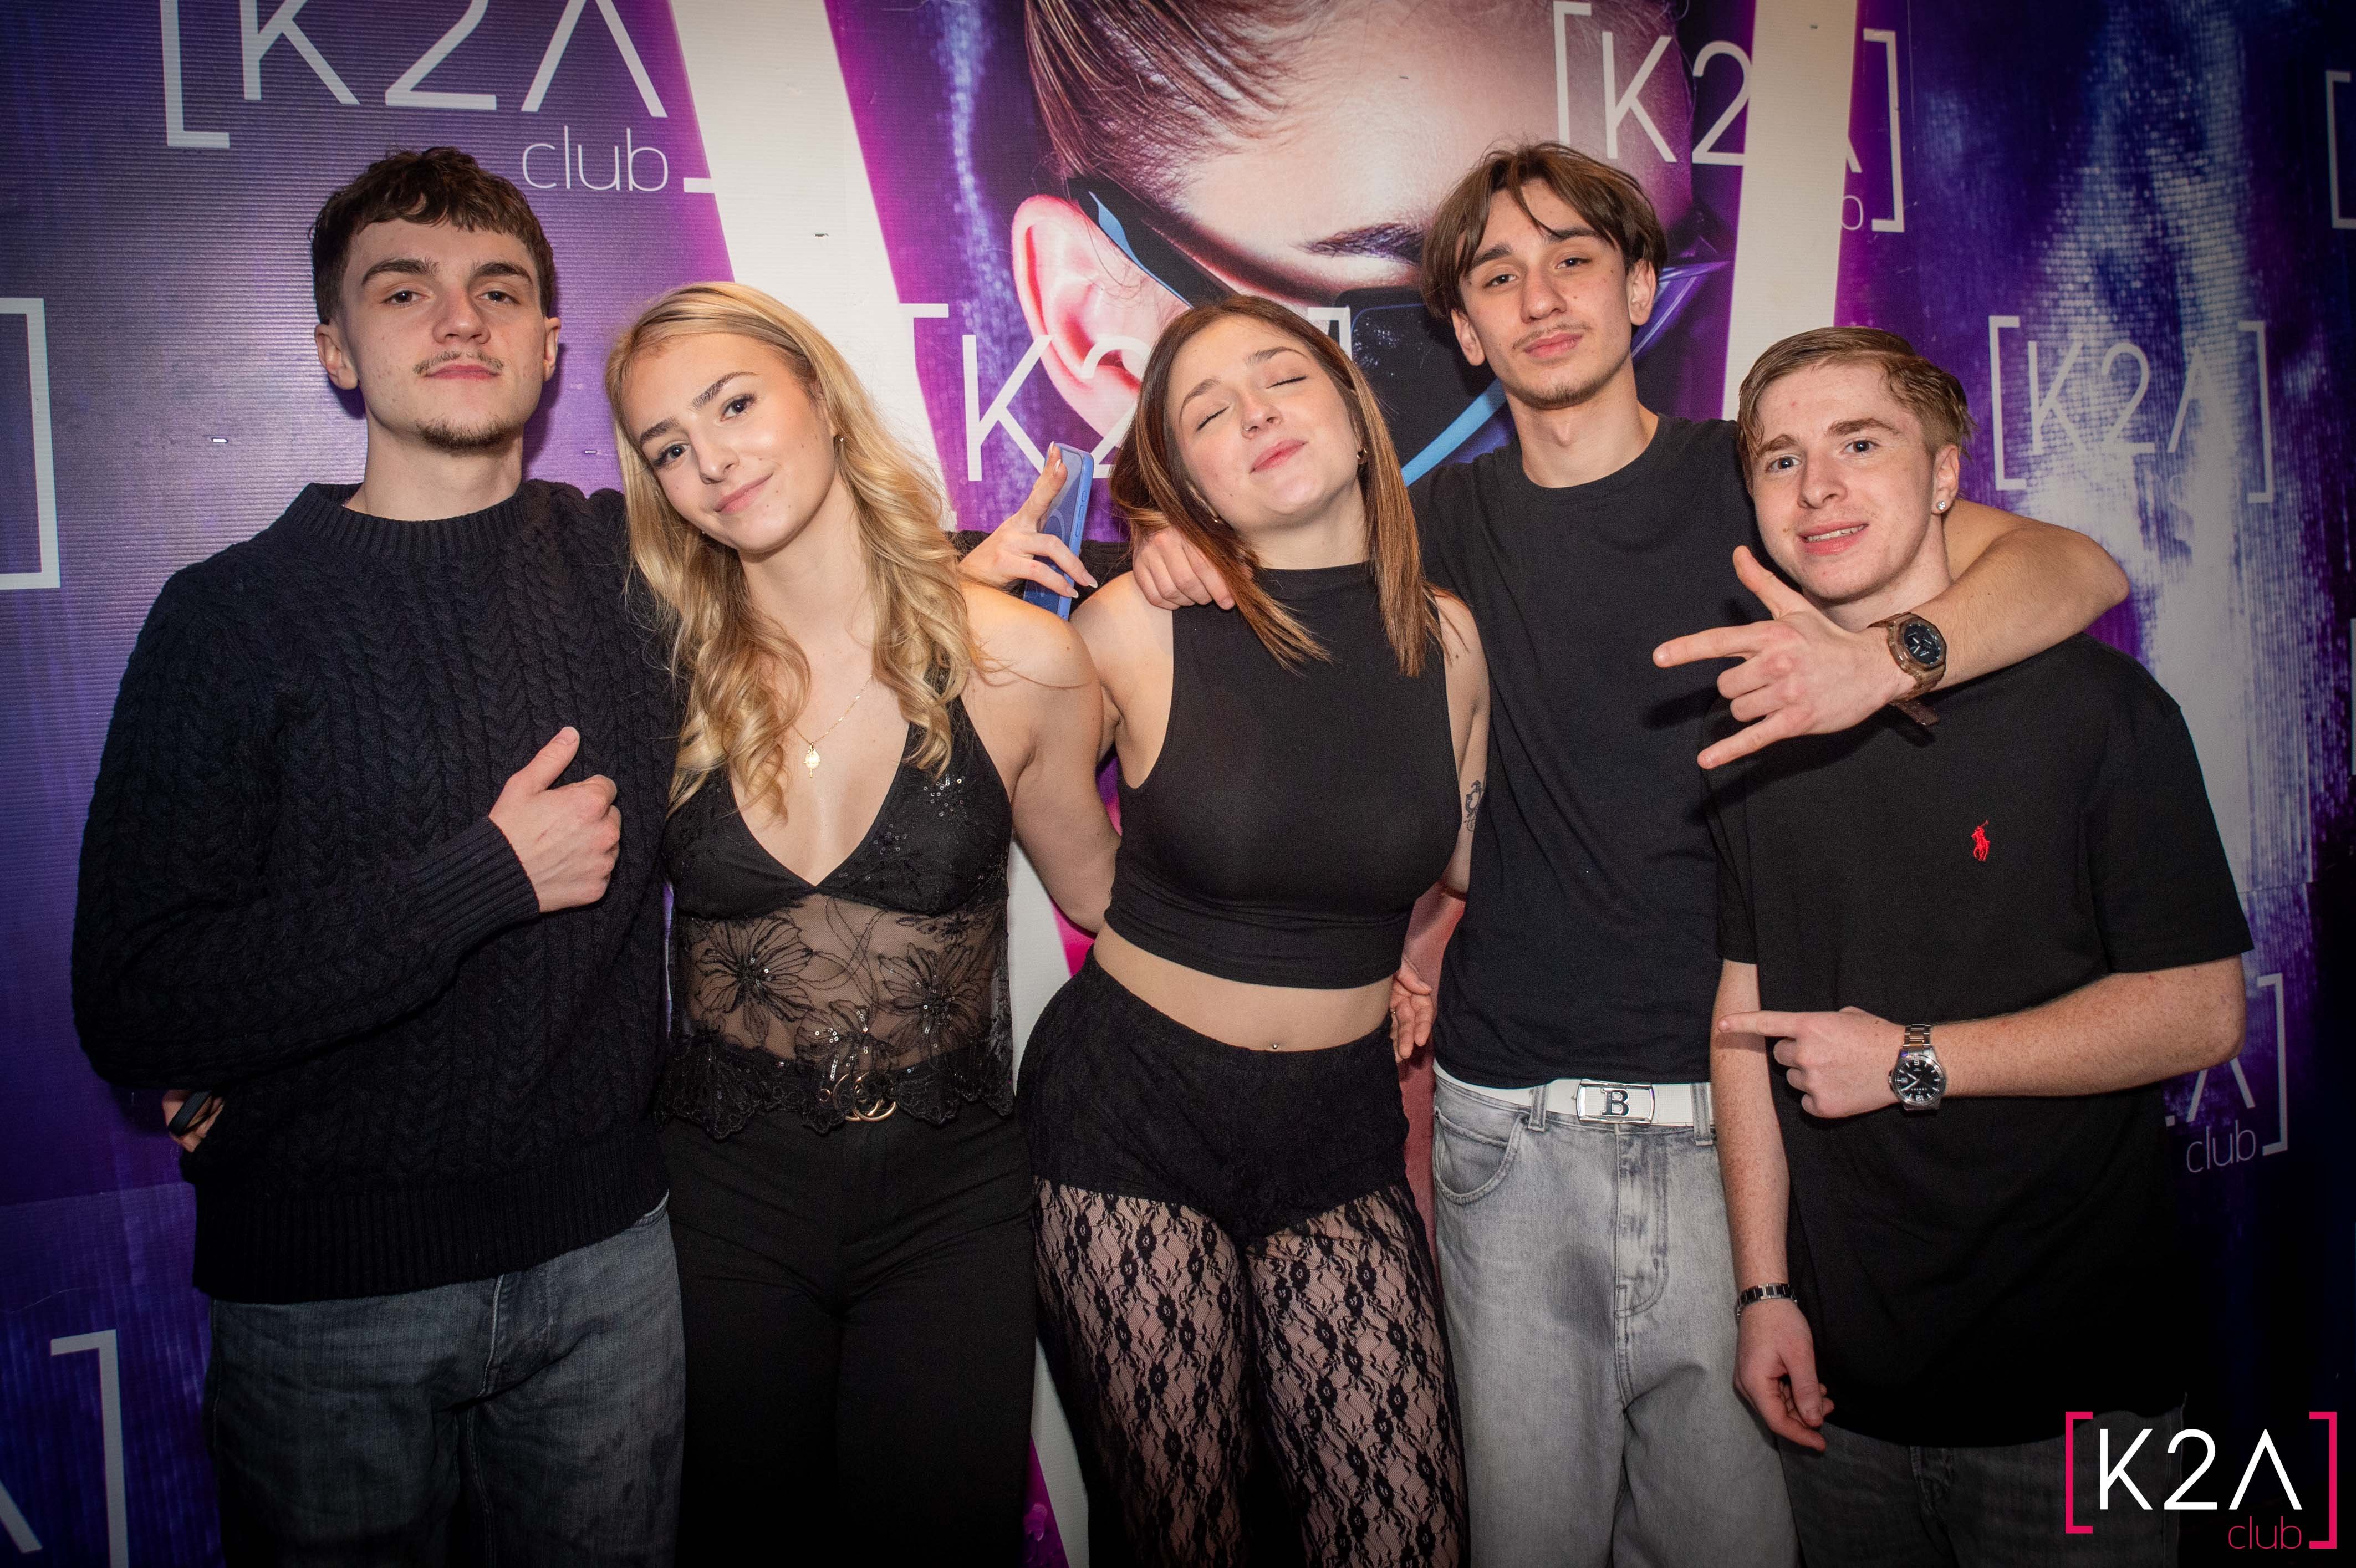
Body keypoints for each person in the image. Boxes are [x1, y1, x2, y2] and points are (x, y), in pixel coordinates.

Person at [1120, 144, 2133, 1565]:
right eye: (1498, 275)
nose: (1540, 297)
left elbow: (2076, 567)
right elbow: (1256, 580)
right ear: (1463, 330)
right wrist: (1166, 538)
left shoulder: (1766, 481)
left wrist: (1888, 659)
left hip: (1738, 1126)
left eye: (1575, 260)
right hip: (1507, 1128)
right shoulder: (1429, 531)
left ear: (1643, 287)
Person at [72, 149, 684, 1563]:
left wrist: (1104, 555)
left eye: (498, 290)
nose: (459, 319)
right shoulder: (230, 617)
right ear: (335, 350)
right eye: (404, 291)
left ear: (549, 345)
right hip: (325, 1302)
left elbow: (828, 569)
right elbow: (136, 996)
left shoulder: (635, 568)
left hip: (609, 1268)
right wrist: (485, 876)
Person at [1706, 326, 2250, 1565]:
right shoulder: (1756, 731)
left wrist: (1913, 1058)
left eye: (1860, 444)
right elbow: (1741, 1020)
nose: (1818, 486)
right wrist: (1763, 1291)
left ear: (1947, 474)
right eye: (1781, 459)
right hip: (1842, 1401)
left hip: (2081, 1398)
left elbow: (2200, 1011)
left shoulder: (2099, 710)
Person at [605, 282, 1118, 1562]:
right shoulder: (652, 680)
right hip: (719, 1205)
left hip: (952, 1208)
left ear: (823, 400)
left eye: (735, 404)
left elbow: (1106, 902)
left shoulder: (1018, 661)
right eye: (669, 445)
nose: (712, 458)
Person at [982, 294, 1486, 1568]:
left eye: (1282, 377)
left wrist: (1414, 959)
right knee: (1182, 1540)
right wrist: (976, 585)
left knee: (1407, 1534)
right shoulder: (1134, 623)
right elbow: (1042, 840)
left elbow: (1455, 860)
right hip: (1128, 1125)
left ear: (1355, 412)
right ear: (1184, 476)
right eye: (1208, 411)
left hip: (1339, 1139)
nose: (1255, 413)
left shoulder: (1448, 638)